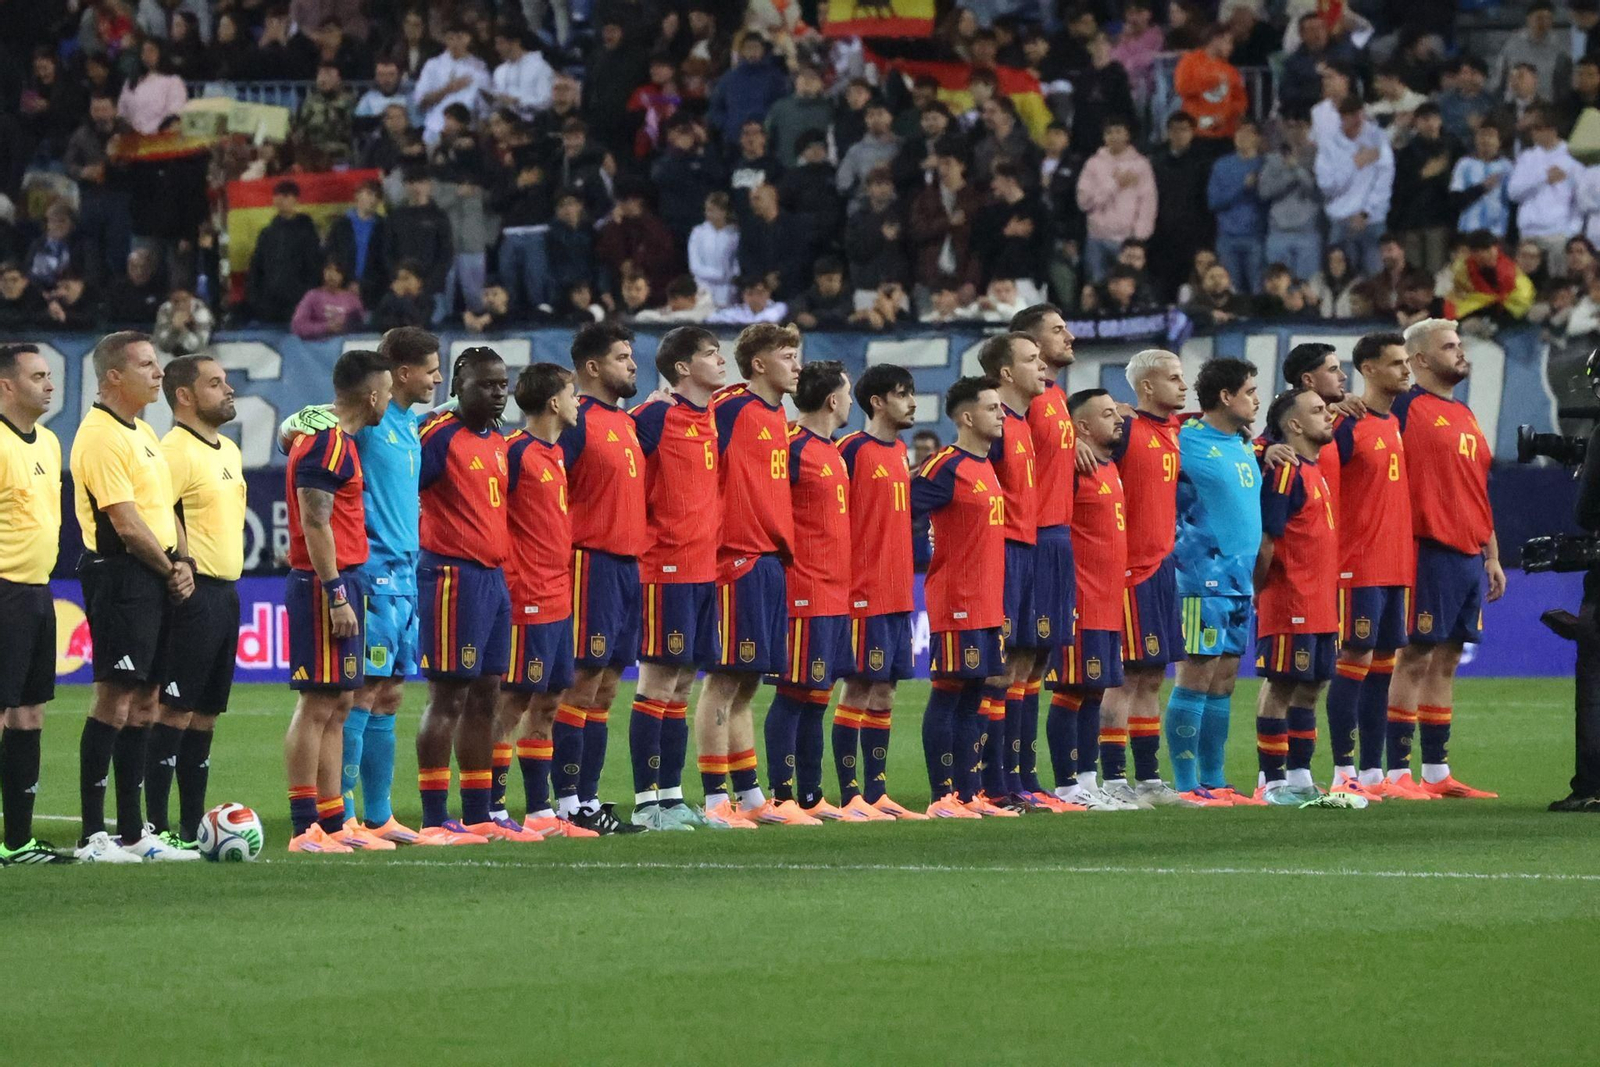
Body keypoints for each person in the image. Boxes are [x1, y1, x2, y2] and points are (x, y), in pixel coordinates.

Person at [282, 327, 442, 845]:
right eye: (431, 368)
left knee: (389, 694)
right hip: (364, 574)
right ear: (396, 376)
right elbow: (297, 426)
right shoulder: (356, 429)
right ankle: (337, 815)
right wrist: (302, 421)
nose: (438, 377)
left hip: (404, 575)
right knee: (348, 697)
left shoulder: (412, 423)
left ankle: (377, 813)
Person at [413, 348, 537, 844]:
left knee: (488, 694)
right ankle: (432, 816)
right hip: (450, 576)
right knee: (449, 696)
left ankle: (479, 812)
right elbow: (405, 492)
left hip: (492, 578)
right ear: (459, 384)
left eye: (503, 384)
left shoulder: (499, 439)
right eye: (487, 384)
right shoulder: (438, 435)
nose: (498, 392)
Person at [1386, 319, 1503, 799]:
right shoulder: (1405, 407)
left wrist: (1492, 555)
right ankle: (1394, 774)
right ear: (1419, 361)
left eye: (1460, 345)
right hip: (1427, 548)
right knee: (1413, 657)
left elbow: (1477, 490)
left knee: (1448, 660)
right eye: (1449, 346)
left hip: (1470, 554)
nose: (1460, 353)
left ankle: (1436, 774)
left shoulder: (1466, 414)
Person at [281, 349, 391, 854]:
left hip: (346, 577)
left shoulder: (334, 440)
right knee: (318, 702)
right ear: (372, 395)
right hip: (323, 583)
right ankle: (305, 827)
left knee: (340, 702)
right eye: (387, 391)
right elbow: (314, 520)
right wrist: (335, 592)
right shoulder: (327, 445)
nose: (388, 399)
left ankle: (331, 820)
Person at [131, 355, 242, 853]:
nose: (228, 390)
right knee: (173, 710)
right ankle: (156, 825)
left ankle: (194, 825)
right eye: (215, 384)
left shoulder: (230, 450)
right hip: (193, 595)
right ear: (184, 396)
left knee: (205, 715)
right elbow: (155, 510)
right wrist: (180, 559)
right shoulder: (172, 450)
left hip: (227, 593)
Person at [697, 324, 801, 826]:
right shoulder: (731, 405)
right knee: (723, 680)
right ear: (759, 364)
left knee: (747, 684)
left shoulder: (777, 412)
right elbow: (684, 432)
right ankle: (716, 798)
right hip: (734, 557)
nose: (797, 364)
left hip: (769, 556)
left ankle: (750, 796)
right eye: (787, 355)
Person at [626, 329, 726, 828]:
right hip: (664, 564)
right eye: (710, 353)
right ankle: (646, 804)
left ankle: (670, 795)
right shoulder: (655, 414)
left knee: (683, 685)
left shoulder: (708, 415)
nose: (721, 359)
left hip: (703, 567)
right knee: (657, 682)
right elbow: (615, 458)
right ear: (682, 368)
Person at [1158, 358, 1267, 808]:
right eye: (1249, 390)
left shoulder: (1243, 445)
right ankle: (1186, 784)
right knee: (1196, 674)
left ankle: (1215, 779)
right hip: (1200, 578)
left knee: (1224, 679)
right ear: (1226, 397)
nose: (1256, 399)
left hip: (1240, 582)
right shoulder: (1185, 440)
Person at [553, 323, 649, 835]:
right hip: (589, 562)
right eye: (622, 357)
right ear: (592, 367)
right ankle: (566, 803)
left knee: (608, 688)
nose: (633, 365)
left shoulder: (626, 423)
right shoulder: (576, 421)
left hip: (628, 566)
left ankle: (586, 800)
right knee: (580, 684)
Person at [492, 363, 592, 837]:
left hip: (559, 596)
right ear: (554, 402)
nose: (578, 402)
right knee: (512, 703)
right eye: (573, 394)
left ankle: (540, 811)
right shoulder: (514, 453)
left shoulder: (554, 455)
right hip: (525, 597)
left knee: (548, 703)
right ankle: (491, 806)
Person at [1320, 333, 1421, 801]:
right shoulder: (1345, 424)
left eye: (1406, 363)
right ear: (1369, 369)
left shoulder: (1389, 422)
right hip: (1355, 567)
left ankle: (1374, 772)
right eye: (1396, 363)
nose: (1406, 370)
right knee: (1353, 663)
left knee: (1383, 668)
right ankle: (1344, 773)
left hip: (1394, 567)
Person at [832, 365, 927, 821]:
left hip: (898, 593)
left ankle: (877, 791)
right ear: (876, 402)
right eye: (902, 394)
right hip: (863, 593)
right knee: (858, 689)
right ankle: (850, 794)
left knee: (885, 694)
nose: (912, 402)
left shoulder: (900, 451)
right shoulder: (850, 450)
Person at [762, 362, 856, 821]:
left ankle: (811, 794)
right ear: (833, 400)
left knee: (818, 694)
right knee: (794, 692)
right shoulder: (793, 447)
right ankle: (780, 795)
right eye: (849, 392)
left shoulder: (833, 451)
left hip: (836, 590)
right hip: (805, 588)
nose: (851, 401)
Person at [1101, 350, 1193, 808]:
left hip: (1161, 567)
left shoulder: (1174, 430)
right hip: (1126, 570)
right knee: (1122, 678)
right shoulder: (1123, 429)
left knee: (1153, 675)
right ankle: (1115, 779)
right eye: (1174, 378)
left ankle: (1149, 780)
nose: (1184, 385)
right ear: (1147, 387)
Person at [913, 376, 1007, 819]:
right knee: (949, 693)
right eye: (992, 408)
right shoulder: (944, 465)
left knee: (975, 695)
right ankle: (941, 796)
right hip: (957, 599)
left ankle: (969, 795)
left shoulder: (986, 465)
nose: (1001, 414)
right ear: (967, 417)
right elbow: (900, 506)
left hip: (988, 600)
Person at [1254, 387, 1353, 807]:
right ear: (1294, 425)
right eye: (1316, 411)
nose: (1327, 415)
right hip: (1290, 600)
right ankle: (1271, 782)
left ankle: (1299, 776)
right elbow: (1266, 541)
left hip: (1321, 605)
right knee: (1282, 685)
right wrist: (1262, 592)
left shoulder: (1314, 471)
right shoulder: (1285, 471)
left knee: (1313, 686)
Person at [0, 345, 68, 864]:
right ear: (6, 385)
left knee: (29, 714)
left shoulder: (47, 442)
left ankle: (18, 840)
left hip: (37, 591)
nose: (49, 384)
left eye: (49, 375)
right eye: (38, 376)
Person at [1316, 97, 1395, 276]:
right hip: (1341, 220)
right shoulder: (1329, 144)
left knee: (1376, 278)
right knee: (1342, 278)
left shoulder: (1378, 138)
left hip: (1373, 221)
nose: (1357, 120)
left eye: (1359, 114)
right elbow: (1326, 186)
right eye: (1351, 115)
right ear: (1342, 117)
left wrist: (1365, 212)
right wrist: (1353, 165)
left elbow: (1384, 182)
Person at [1076, 117, 1156, 284]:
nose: (1114, 136)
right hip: (1097, 238)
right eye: (1109, 132)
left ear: (1127, 135)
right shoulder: (1093, 163)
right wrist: (1115, 184)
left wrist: (1138, 238)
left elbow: (1148, 202)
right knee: (1096, 285)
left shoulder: (1141, 165)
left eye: (1119, 131)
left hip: (1127, 239)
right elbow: (1083, 201)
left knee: (1128, 285)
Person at [1507, 111, 1581, 276]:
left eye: (1537, 128)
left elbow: (1578, 200)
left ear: (1552, 130)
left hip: (1558, 234)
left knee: (1556, 282)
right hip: (1528, 233)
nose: (1533, 133)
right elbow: (1513, 193)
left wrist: (1571, 232)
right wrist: (1543, 179)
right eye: (1532, 129)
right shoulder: (1527, 157)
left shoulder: (1571, 156)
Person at [1260, 110, 1323, 285]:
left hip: (1307, 233)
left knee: (1307, 287)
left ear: (1309, 128)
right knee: (1278, 288)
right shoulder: (1273, 159)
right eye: (1290, 126)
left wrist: (1296, 169)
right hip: (1278, 233)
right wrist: (1290, 176)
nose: (1295, 131)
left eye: (1300, 126)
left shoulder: (1318, 157)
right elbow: (1264, 192)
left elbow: (1316, 191)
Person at [247, 181, 324, 325]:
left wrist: (307, 297)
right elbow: (256, 267)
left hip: (298, 304)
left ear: (295, 199)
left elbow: (314, 267)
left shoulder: (307, 232)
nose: (280, 199)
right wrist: (255, 298)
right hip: (268, 304)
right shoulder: (267, 233)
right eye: (277, 195)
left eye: (285, 195)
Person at [1207, 119, 1267, 296]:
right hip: (1227, 237)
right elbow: (1213, 202)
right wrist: (1243, 187)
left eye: (1248, 133)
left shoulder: (1265, 164)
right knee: (1230, 290)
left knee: (1258, 289)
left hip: (1257, 237)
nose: (1242, 137)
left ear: (1257, 138)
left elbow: (1269, 199)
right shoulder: (1222, 165)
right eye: (1239, 132)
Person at [413, 22, 490, 147]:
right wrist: (448, 89)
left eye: (459, 37)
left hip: (467, 130)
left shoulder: (479, 67)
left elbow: (485, 107)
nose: (455, 42)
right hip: (436, 127)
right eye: (450, 38)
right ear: (445, 39)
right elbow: (421, 101)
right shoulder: (433, 65)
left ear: (468, 38)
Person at [1173, 26, 1246, 155]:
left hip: (1225, 135)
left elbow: (1240, 101)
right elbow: (1182, 88)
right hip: (1197, 133)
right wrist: (1211, 81)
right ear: (1215, 40)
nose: (1231, 47)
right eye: (1228, 42)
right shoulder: (1190, 61)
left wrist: (1227, 115)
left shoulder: (1231, 71)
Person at [325, 179, 391, 311]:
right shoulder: (340, 225)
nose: (372, 200)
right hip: (341, 291)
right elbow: (331, 255)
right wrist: (347, 282)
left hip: (374, 294)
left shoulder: (384, 227)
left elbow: (385, 261)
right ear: (357, 195)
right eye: (369, 194)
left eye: (376, 196)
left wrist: (363, 286)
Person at [1450, 123, 1513, 239]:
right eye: (1482, 135)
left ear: (1499, 141)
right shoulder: (1464, 164)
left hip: (1498, 232)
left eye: (1490, 136)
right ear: (1475, 140)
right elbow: (1455, 200)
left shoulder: (1507, 167)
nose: (1486, 140)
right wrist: (1482, 187)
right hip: (1469, 231)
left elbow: (1512, 201)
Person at [291, 259, 365, 340]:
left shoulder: (352, 299)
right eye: (329, 269)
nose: (332, 275)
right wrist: (326, 327)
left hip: (347, 343)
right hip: (317, 343)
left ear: (343, 275)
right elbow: (297, 326)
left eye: (337, 271)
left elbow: (361, 326)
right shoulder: (313, 296)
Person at [152, 288, 212, 356]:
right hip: (169, 357)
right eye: (176, 301)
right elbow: (163, 347)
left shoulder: (201, 310)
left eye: (184, 300)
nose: (181, 305)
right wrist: (175, 330)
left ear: (191, 298)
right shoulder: (165, 310)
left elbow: (198, 348)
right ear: (170, 300)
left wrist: (183, 330)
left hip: (196, 356)